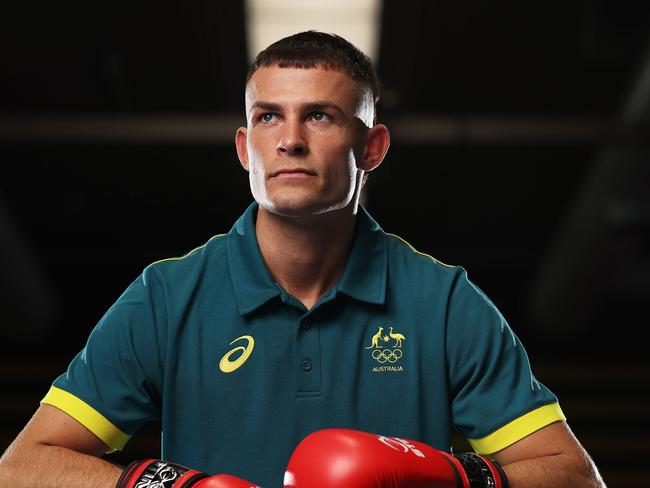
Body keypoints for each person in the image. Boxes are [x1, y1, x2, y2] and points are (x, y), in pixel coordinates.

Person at [0, 31, 605, 487]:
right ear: (245, 147)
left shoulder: (442, 302)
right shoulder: (167, 296)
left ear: (372, 146)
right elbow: (23, 466)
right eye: (268, 117)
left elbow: (575, 476)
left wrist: (444, 475)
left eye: (319, 115)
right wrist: (172, 484)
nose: (289, 139)